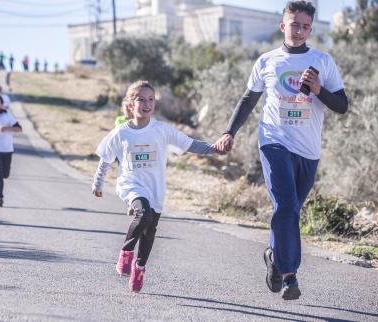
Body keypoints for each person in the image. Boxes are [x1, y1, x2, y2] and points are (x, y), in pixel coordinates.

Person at [215, 1, 348, 301]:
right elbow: (248, 99)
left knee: (289, 211)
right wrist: (229, 132)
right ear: (282, 25)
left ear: (310, 29)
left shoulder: (322, 62)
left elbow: (342, 105)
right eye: (294, 24)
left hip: (308, 150)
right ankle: (289, 275)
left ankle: (274, 258)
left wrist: (318, 90)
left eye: (305, 26)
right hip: (274, 141)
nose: (299, 31)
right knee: (286, 204)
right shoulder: (267, 61)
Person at [92, 80, 219, 293]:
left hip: (155, 189)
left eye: (150, 99)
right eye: (141, 99)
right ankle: (126, 251)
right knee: (144, 215)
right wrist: (98, 183)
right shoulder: (121, 133)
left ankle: (139, 268)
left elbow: (190, 144)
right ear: (131, 104)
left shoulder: (161, 130)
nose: (146, 103)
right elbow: (105, 158)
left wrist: (215, 149)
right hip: (131, 185)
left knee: (150, 231)